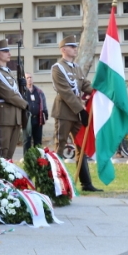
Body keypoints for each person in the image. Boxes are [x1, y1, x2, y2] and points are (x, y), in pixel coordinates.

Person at [51, 36, 100, 191]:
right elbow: (66, 92)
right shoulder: (57, 68)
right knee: (60, 146)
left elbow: (84, 85)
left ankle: (86, 183)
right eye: (72, 47)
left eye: (75, 46)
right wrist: (81, 110)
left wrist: (99, 92)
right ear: (63, 49)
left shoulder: (76, 67)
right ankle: (56, 182)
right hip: (64, 112)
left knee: (81, 145)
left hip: (78, 113)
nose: (75, 49)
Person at [0, 38, 29, 160]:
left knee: (10, 155)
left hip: (15, 118)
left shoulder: (8, 72)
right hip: (3, 117)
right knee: (2, 154)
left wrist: (22, 86)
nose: (9, 53)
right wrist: (26, 104)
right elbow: (9, 95)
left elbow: (16, 92)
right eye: (5, 51)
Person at [23, 73, 48, 151]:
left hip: (37, 119)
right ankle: (27, 157)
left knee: (38, 141)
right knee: (27, 141)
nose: (29, 79)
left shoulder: (39, 91)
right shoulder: (23, 91)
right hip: (27, 119)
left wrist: (45, 114)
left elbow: (44, 103)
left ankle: (38, 157)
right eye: (27, 78)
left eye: (30, 77)